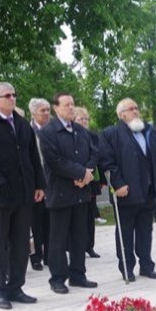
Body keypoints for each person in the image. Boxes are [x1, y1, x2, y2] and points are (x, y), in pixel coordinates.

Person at [0, 82, 46, 309]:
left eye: (14, 94)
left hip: (23, 195)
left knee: (21, 244)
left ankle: (16, 286)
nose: (13, 98)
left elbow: (33, 157)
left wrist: (39, 184)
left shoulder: (22, 124)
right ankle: (0, 291)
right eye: (8, 95)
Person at [98, 97, 156, 281]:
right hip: (126, 193)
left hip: (148, 191)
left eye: (137, 108)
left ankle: (146, 265)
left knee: (146, 230)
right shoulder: (110, 134)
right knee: (126, 232)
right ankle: (127, 268)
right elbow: (107, 162)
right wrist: (118, 184)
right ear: (121, 114)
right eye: (131, 109)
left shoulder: (150, 132)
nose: (136, 111)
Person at [39, 92, 98, 294]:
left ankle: (78, 275)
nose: (71, 108)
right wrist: (80, 173)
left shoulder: (81, 131)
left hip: (81, 192)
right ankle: (57, 278)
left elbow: (93, 154)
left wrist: (87, 174)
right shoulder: (48, 132)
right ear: (56, 108)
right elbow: (55, 161)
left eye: (72, 104)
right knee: (58, 238)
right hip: (60, 193)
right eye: (66, 105)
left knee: (79, 236)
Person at [73, 106, 102, 258]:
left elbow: (96, 155)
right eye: (80, 119)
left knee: (89, 214)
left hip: (90, 177)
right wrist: (79, 173)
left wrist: (87, 171)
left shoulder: (92, 136)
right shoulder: (69, 135)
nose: (84, 121)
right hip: (74, 178)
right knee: (76, 215)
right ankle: (75, 246)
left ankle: (89, 246)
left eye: (86, 119)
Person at [28, 97, 52, 271]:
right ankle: (36, 257)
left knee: (51, 222)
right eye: (43, 110)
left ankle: (50, 255)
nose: (46, 113)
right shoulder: (28, 131)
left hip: (53, 183)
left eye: (48, 110)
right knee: (35, 223)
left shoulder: (53, 130)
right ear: (33, 112)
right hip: (35, 184)